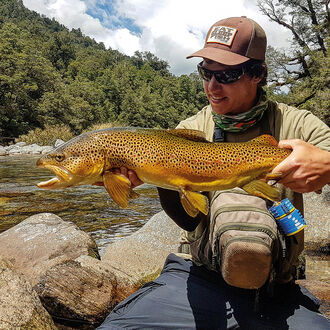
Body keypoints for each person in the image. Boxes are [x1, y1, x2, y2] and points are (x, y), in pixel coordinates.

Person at [98, 16, 330, 329]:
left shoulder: (296, 124)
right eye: (206, 71)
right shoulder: (188, 131)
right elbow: (190, 219)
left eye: (227, 74)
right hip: (200, 278)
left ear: (257, 74)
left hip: (276, 288)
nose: (212, 86)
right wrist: (159, 177)